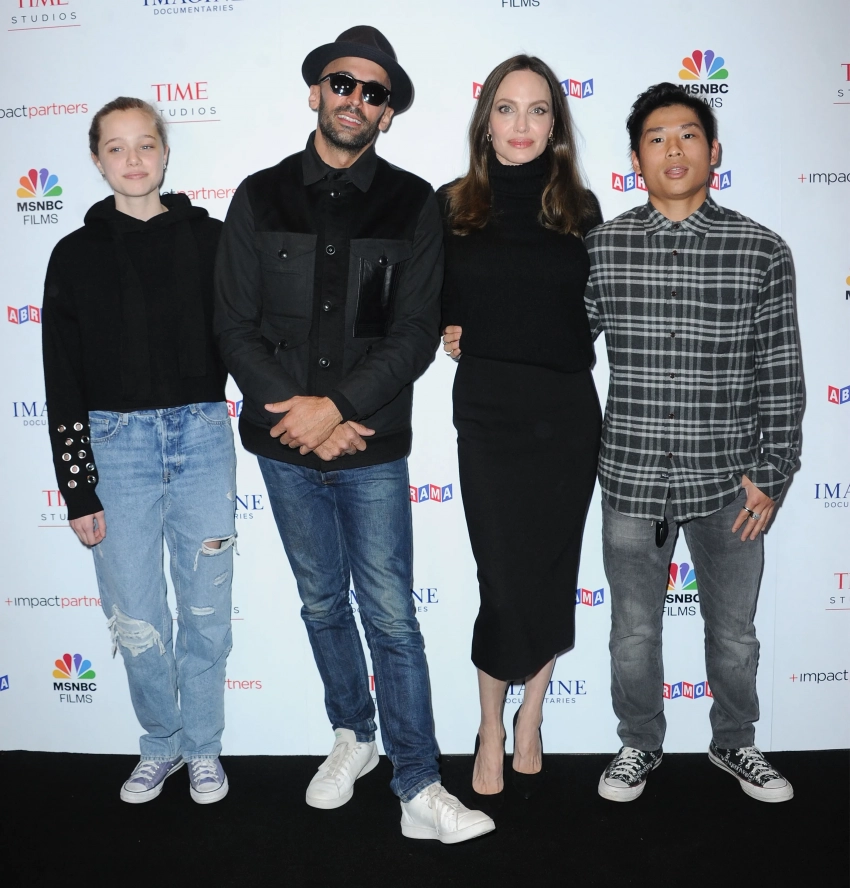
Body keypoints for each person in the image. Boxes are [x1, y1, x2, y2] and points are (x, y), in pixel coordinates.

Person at [214, 26, 494, 843]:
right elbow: (233, 326)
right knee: (320, 602)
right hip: (282, 444)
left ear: (388, 113)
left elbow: (413, 334)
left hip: (369, 442)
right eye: (343, 83)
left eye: (375, 93)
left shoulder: (414, 203)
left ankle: (418, 784)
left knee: (392, 615)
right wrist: (302, 416)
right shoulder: (259, 195)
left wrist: (334, 408)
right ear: (317, 91)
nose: (356, 100)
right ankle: (353, 736)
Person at [584, 82, 802, 803]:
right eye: (655, 138)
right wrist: (474, 328)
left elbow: (781, 370)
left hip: (731, 483)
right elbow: (554, 340)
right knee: (632, 635)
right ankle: (638, 744)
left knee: (735, 635)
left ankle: (735, 742)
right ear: (635, 159)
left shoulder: (761, 250)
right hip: (632, 476)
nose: (672, 149)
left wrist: (774, 472)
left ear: (714, 151)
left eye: (687, 135)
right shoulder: (603, 247)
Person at [42, 97, 236, 805]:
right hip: (114, 449)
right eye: (116, 147)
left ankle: (204, 747)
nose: (133, 159)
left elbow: (248, 339)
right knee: (137, 616)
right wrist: (77, 487)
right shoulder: (73, 255)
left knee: (207, 611)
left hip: (202, 437)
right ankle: (162, 743)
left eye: (145, 144)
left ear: (165, 153)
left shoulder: (213, 241)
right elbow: (61, 377)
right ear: (97, 161)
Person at [439, 55, 602, 797]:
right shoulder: (450, 207)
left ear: (555, 124)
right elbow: (426, 303)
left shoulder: (580, 210)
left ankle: (531, 714)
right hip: (489, 412)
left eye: (538, 110)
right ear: (486, 122)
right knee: (501, 580)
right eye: (507, 108)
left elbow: (592, 318)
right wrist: (449, 327)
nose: (522, 125)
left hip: (565, 414)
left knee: (550, 573)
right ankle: (488, 725)